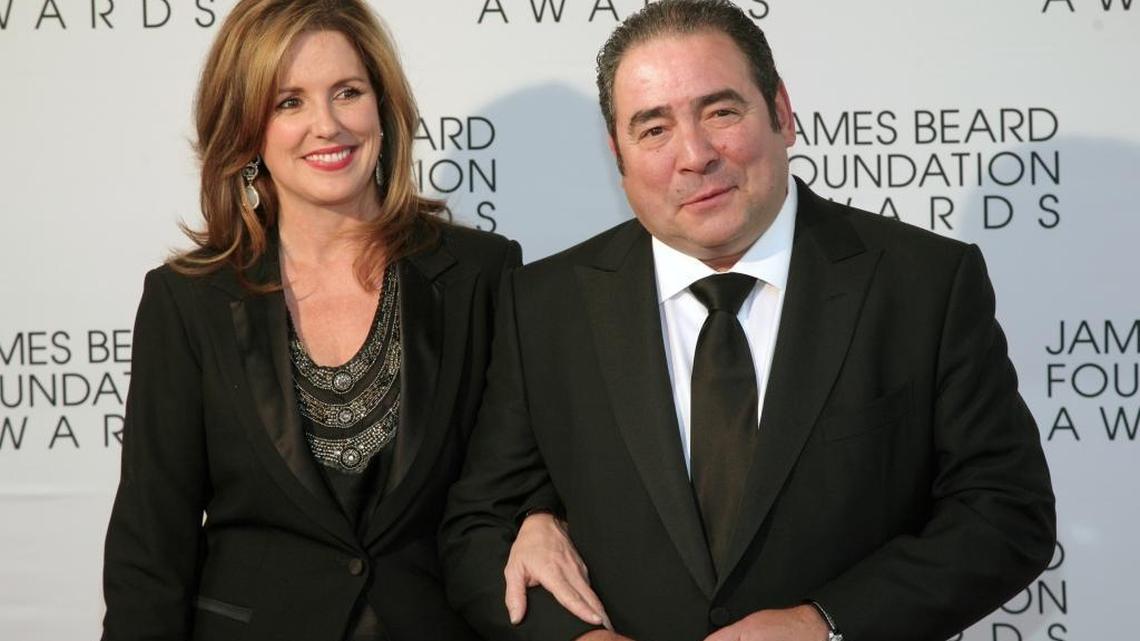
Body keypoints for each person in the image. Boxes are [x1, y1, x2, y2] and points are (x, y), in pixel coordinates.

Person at [441, 1, 1056, 640]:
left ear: (781, 112)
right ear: (618, 154)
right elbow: (478, 528)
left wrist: (824, 624)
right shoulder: (545, 305)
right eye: (654, 129)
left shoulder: (923, 284)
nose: (695, 155)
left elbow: (1005, 512)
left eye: (721, 112)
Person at [100, 1, 601, 639]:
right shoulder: (187, 301)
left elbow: (523, 466)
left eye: (348, 92)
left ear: (383, 109)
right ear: (247, 131)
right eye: (289, 103)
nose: (328, 125)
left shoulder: (481, 274)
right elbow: (151, 543)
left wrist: (539, 515)